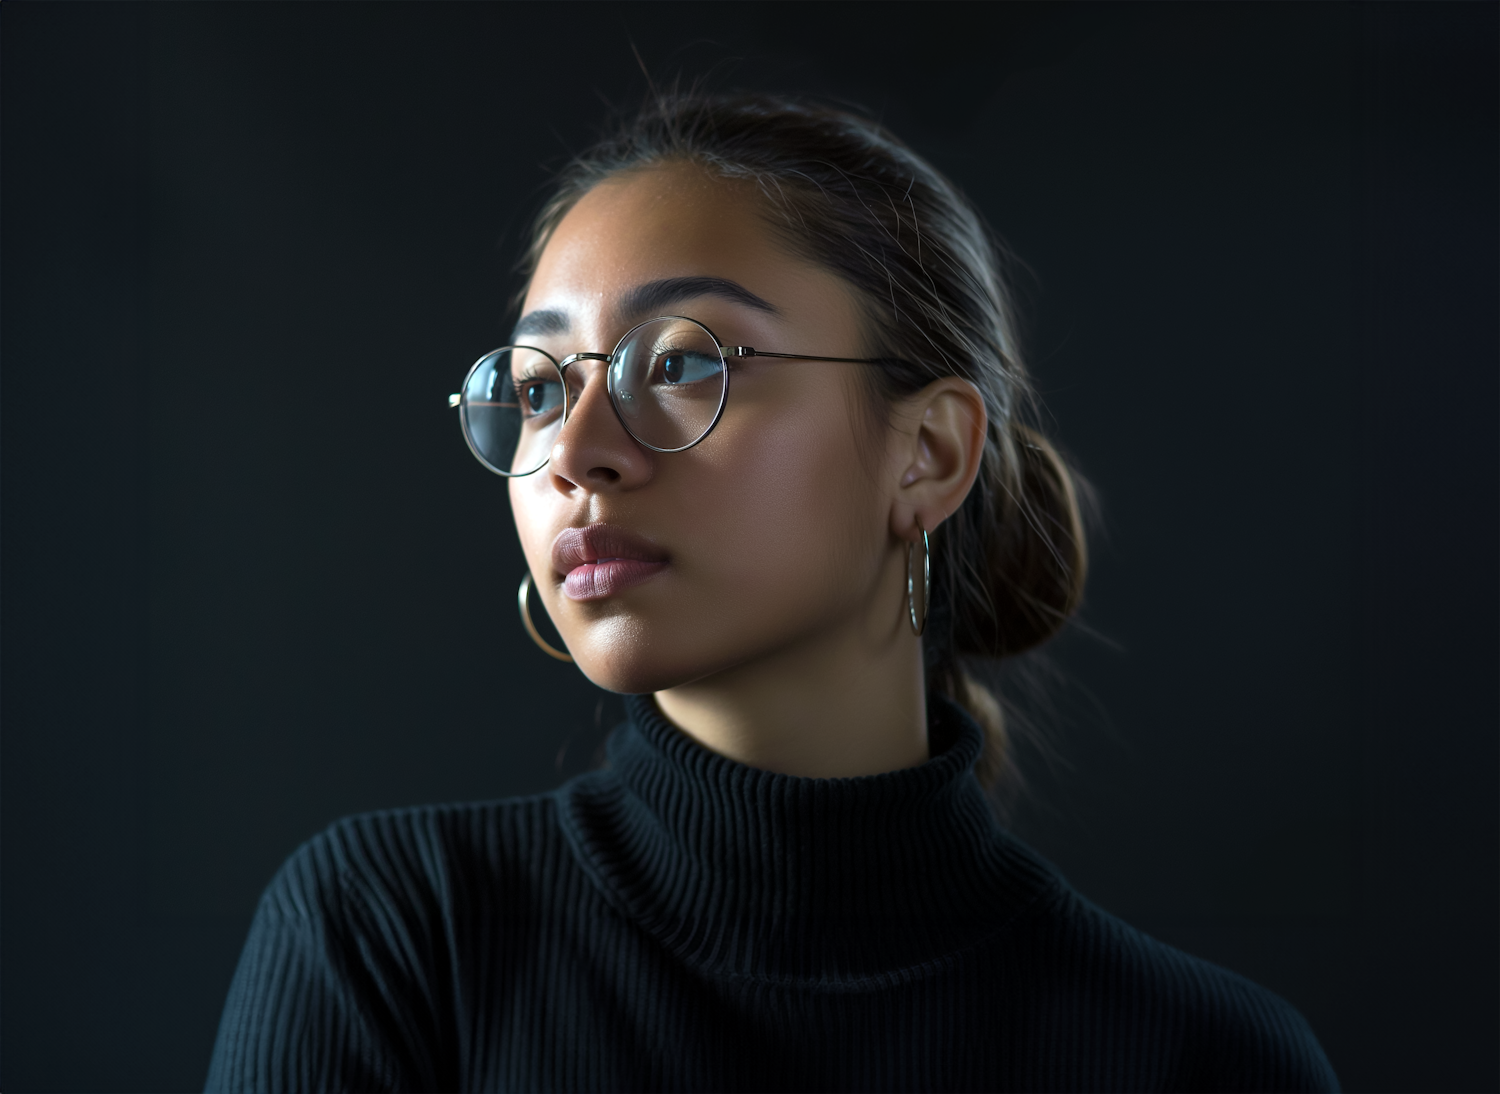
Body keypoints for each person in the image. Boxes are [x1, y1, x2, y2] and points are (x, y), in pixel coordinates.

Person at [205, 91, 1339, 1092]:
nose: (577, 450)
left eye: (686, 361)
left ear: (929, 455)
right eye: (541, 387)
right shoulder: (394, 938)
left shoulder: (1201, 1057)